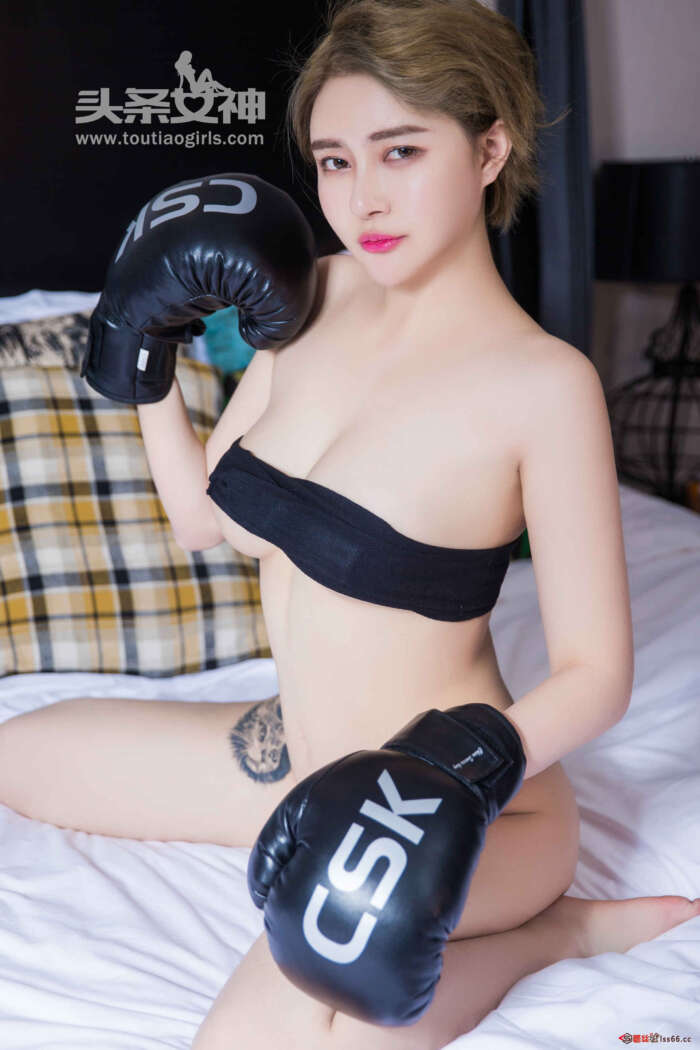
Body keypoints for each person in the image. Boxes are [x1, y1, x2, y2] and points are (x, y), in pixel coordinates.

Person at [2, 1, 698, 1047]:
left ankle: (553, 933)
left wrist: (449, 769)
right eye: (334, 161)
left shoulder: (544, 386)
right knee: (15, 757)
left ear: (489, 151)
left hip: (452, 809)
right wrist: (143, 358)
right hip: (291, 757)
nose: (360, 196)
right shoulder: (311, 296)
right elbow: (205, 521)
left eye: (400, 151)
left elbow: (597, 675)